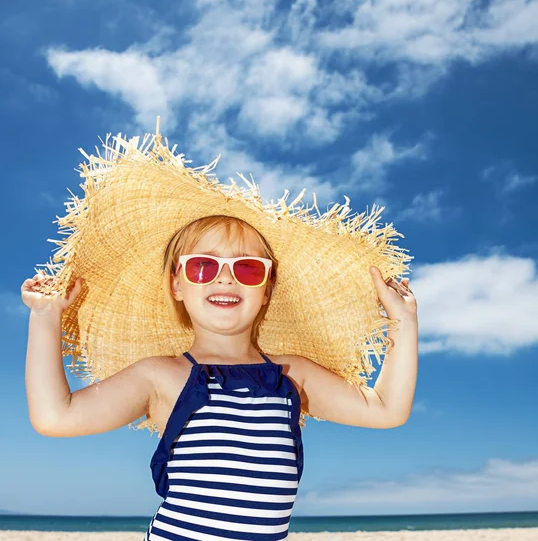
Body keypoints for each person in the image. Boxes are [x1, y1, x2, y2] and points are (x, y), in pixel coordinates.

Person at [21, 126, 418, 540]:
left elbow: (386, 409)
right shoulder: (161, 376)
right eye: (203, 267)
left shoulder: (291, 375)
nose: (225, 279)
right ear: (177, 284)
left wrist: (403, 324)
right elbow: (55, 417)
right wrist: (45, 319)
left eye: (247, 268)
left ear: (266, 289)